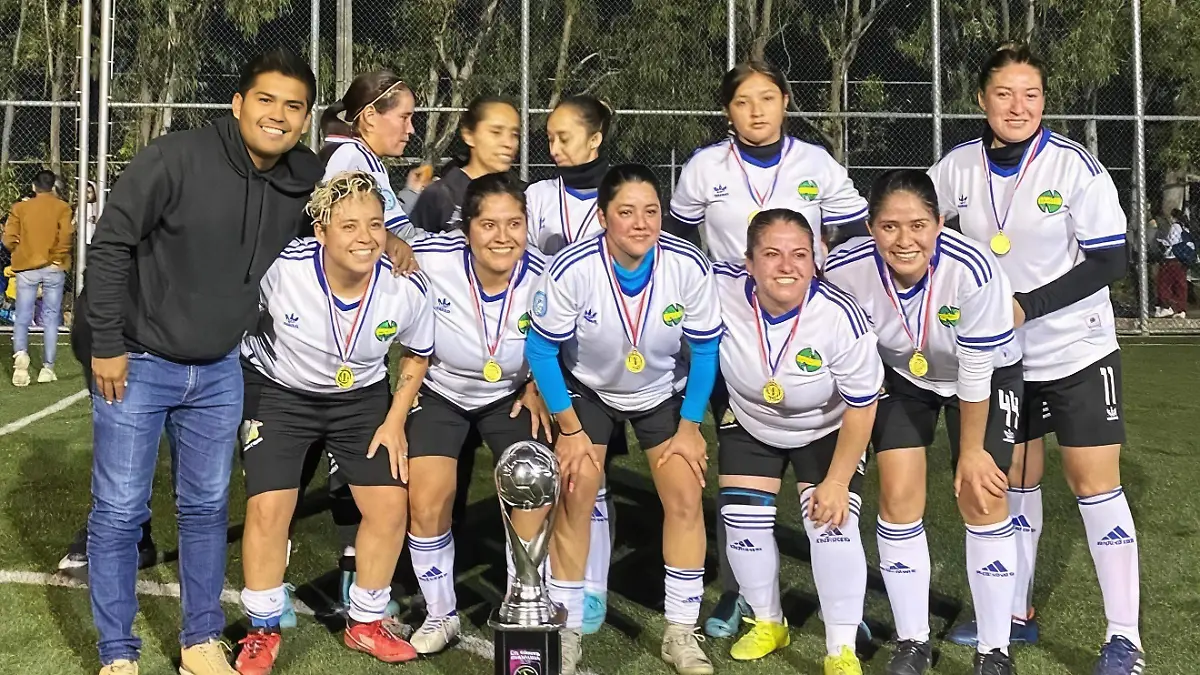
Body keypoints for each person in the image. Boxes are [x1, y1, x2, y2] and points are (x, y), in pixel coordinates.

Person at [82, 48, 324, 675]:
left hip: (218, 370)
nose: (278, 116)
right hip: (136, 360)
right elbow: (109, 246)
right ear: (238, 103)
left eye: (293, 107)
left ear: (305, 120)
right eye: (265, 100)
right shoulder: (175, 158)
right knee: (119, 510)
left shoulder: (303, 175)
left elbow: (351, 210)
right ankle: (117, 653)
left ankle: (199, 642)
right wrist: (107, 342)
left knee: (207, 509)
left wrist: (395, 237)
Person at [928, 43, 1144, 675]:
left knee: (1093, 485)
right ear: (981, 100)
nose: (1017, 107)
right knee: (1013, 482)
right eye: (1004, 94)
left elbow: (1111, 263)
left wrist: (1026, 304)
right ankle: (1016, 614)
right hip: (999, 363)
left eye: (1031, 94)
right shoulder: (956, 169)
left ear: (1044, 101)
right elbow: (919, 232)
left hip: (1077, 350)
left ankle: (1124, 638)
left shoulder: (1076, 168)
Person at [669, 59, 871, 637]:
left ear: (786, 101)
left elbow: (855, 238)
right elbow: (681, 245)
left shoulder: (817, 164)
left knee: (828, 485)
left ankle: (843, 610)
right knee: (741, 490)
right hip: (736, 331)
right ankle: (742, 596)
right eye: (742, 102)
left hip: (805, 328)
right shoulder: (706, 168)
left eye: (767, 98)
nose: (756, 111)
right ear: (727, 111)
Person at [233, 171, 433, 673]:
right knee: (268, 511)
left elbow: (416, 355)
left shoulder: (405, 284)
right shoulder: (282, 269)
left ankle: (365, 623)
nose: (364, 237)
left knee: (389, 507)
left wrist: (393, 421)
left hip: (360, 399)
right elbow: (237, 312)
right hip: (281, 393)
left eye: (374, 224)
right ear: (320, 231)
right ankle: (261, 629)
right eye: (348, 226)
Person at [526, 164, 722, 675]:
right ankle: (566, 630)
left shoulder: (688, 265)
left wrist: (690, 425)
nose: (641, 223)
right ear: (603, 216)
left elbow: (704, 352)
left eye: (651, 211)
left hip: (661, 393)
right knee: (574, 490)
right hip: (588, 391)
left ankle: (680, 632)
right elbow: (542, 351)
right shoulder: (571, 268)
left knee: (684, 492)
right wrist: (569, 430)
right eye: (626, 212)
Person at [824, 170, 1022, 675]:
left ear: (938, 224)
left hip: (983, 375)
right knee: (896, 496)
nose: (904, 239)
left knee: (982, 494)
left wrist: (973, 451)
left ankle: (994, 650)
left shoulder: (973, 269)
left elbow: (976, 368)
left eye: (917, 225)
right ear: (870, 227)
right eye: (889, 226)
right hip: (905, 379)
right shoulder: (845, 269)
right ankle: (913, 640)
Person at [711, 209, 880, 674]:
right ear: (748, 263)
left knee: (832, 525)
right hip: (750, 421)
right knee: (742, 522)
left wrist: (838, 479)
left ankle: (841, 647)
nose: (787, 266)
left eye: (800, 254)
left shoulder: (841, 317)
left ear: (816, 259)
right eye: (772, 254)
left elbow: (863, 405)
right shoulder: (718, 287)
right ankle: (768, 622)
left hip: (826, 427)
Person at [404, 172, 553, 655]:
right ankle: (440, 614)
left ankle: (524, 601)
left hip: (510, 394)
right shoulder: (432, 258)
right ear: (465, 228)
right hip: (441, 390)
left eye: (514, 223)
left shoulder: (548, 274)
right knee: (428, 498)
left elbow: (571, 343)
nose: (503, 236)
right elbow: (382, 237)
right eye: (488, 224)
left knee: (531, 484)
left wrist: (536, 385)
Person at [523, 93, 620, 634]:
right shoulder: (538, 196)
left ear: (595, 138)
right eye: (550, 139)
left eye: (564, 138)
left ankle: (593, 588)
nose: (554, 148)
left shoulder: (620, 194)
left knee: (593, 477)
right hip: (548, 346)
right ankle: (548, 580)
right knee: (563, 473)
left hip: (605, 352)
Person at [323, 70, 422, 241]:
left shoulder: (341, 150)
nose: (411, 129)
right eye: (404, 117)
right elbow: (403, 239)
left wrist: (411, 192)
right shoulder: (360, 159)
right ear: (370, 116)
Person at [3, 168, 73, 386]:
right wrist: (57, 256)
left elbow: (8, 237)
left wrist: (18, 251)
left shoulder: (20, 208)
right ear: (52, 187)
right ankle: (47, 367)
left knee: (23, 316)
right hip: (54, 266)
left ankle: (21, 356)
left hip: (26, 267)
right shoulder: (62, 207)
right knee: (51, 317)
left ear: (34, 186)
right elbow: (67, 235)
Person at [410, 95, 520, 234]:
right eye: (496, 132)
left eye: (514, 134)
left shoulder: (523, 193)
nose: (509, 143)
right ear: (468, 135)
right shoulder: (440, 195)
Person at [1153, 208, 1189, 318]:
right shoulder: (1185, 228)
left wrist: (1161, 242)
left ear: (1173, 217)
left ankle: (1166, 307)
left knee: (1163, 283)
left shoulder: (1175, 227)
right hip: (1182, 259)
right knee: (1180, 285)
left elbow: (1172, 243)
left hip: (1171, 259)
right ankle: (1180, 309)